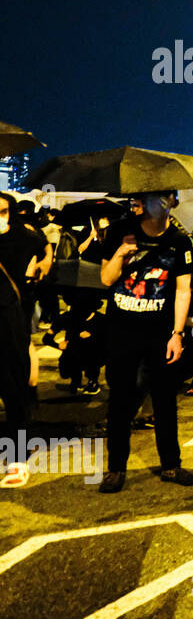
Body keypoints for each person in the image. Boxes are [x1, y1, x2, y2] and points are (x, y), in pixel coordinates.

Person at [97, 190, 193, 493]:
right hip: (121, 331)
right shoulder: (120, 230)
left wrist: (177, 334)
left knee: (165, 400)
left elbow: (183, 291)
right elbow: (105, 279)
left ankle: (171, 465)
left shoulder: (180, 241)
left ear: (172, 203)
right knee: (119, 402)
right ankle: (116, 469)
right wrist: (120, 253)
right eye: (152, 197)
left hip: (160, 333)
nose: (156, 202)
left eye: (164, 197)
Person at [0, 193, 46, 487]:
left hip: (8, 318)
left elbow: (44, 248)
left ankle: (16, 458)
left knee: (12, 387)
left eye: (3, 210)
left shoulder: (19, 235)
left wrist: (38, 270)